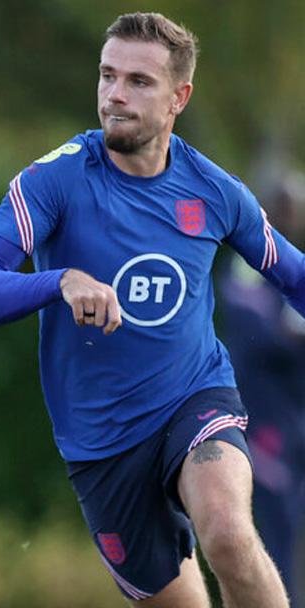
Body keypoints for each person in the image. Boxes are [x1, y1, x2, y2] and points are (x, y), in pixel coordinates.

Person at [0, 12, 293, 607]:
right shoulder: (52, 182)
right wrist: (59, 281)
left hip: (195, 399)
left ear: (178, 98)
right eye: (108, 76)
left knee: (230, 537)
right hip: (101, 444)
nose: (115, 95)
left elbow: (293, 274)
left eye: (139, 81)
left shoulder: (215, 191)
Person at [219, 169, 305, 606]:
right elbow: (262, 334)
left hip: (295, 414)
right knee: (273, 529)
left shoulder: (295, 263)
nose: (291, 216)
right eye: (284, 206)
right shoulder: (248, 266)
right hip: (263, 417)